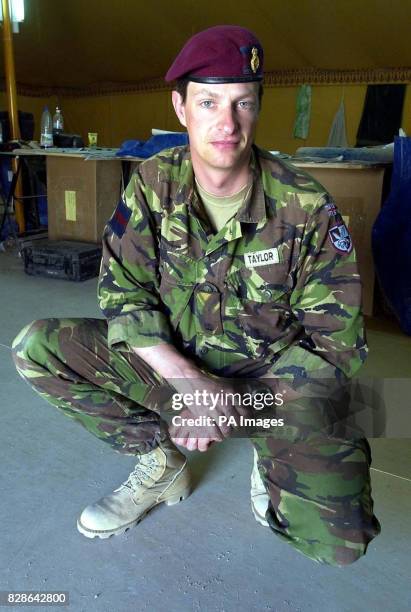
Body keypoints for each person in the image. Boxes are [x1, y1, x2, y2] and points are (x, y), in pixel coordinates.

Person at [11, 25, 380, 565]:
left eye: (242, 104)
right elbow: (124, 293)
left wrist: (236, 404)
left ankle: (264, 453)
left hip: (265, 394)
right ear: (181, 108)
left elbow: (336, 348)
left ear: (257, 109)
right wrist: (192, 385)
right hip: (177, 372)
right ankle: (161, 466)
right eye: (208, 102)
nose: (226, 124)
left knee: (341, 542)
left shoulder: (305, 206)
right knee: (36, 347)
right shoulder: (152, 184)